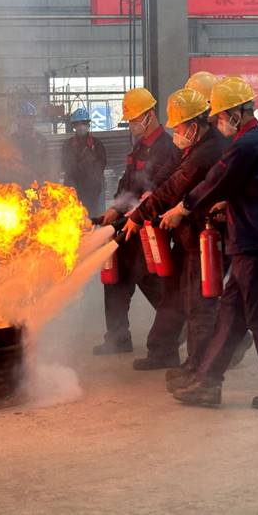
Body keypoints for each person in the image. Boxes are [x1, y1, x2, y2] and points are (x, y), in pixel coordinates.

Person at [160, 77, 258, 409]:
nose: (217, 123)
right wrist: (232, 203)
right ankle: (208, 382)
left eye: (220, 117)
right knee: (230, 315)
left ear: (236, 114)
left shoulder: (246, 144)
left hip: (255, 243)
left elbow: (215, 180)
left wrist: (183, 208)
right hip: (256, 239)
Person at [123, 87, 228, 371]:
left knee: (198, 304)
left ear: (194, 126)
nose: (176, 132)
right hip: (187, 235)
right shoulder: (192, 146)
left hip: (203, 236)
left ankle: (200, 368)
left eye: (179, 126)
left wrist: (141, 213)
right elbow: (165, 176)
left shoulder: (207, 151)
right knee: (173, 293)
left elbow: (175, 186)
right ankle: (162, 351)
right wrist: (146, 200)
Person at [93, 88, 179, 356]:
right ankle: (118, 337)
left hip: (149, 226)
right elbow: (127, 183)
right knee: (116, 278)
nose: (131, 124)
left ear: (150, 115)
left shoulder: (167, 147)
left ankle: (185, 329)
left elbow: (161, 188)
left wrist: (137, 215)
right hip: (128, 223)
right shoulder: (140, 146)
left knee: (152, 280)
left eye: (134, 118)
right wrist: (115, 210)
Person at [61, 108, 107, 215]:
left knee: (94, 218)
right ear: (74, 126)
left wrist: (90, 172)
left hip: (92, 189)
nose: (81, 127)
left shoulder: (97, 144)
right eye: (78, 124)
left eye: (84, 123)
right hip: (74, 187)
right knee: (74, 219)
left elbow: (102, 164)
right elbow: (66, 165)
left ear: (88, 125)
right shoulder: (68, 145)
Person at [13, 101, 49, 186]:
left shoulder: (41, 140)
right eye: (24, 117)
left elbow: (46, 164)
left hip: (37, 183)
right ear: (18, 119)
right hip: (17, 185)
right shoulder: (12, 140)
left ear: (34, 119)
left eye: (30, 117)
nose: (27, 120)